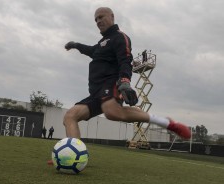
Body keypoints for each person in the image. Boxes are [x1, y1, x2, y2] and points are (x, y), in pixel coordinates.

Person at [63, 7, 191, 140]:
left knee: (111, 112)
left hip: (110, 84)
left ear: (112, 17)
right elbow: (90, 50)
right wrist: (75, 45)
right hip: (95, 92)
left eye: (101, 17)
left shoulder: (119, 37)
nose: (98, 21)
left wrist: (124, 81)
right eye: (96, 19)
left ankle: (166, 122)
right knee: (70, 116)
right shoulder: (101, 44)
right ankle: (74, 154)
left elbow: (125, 59)